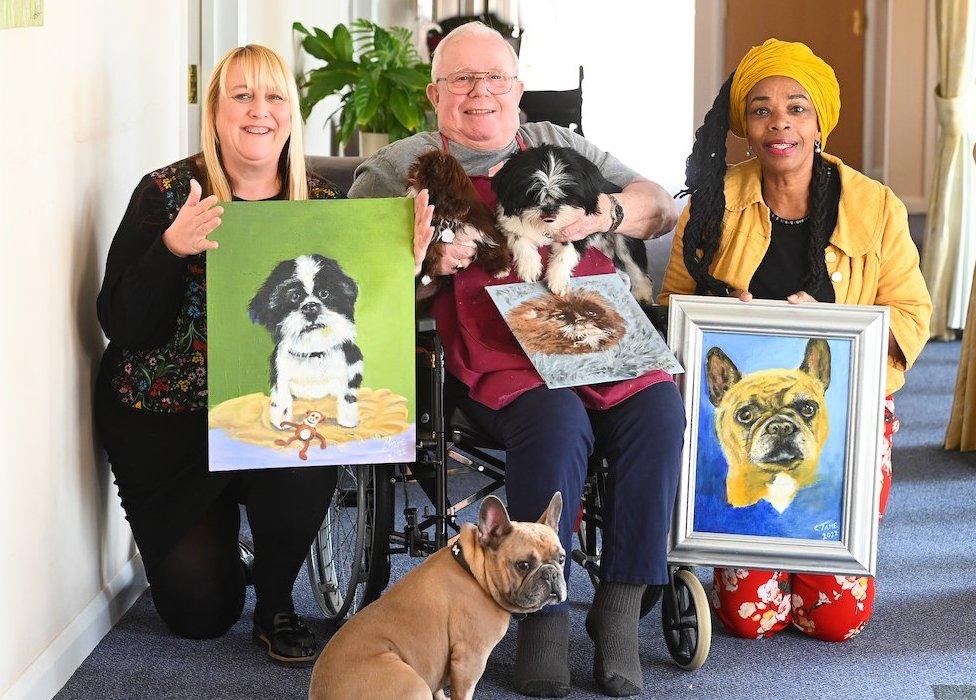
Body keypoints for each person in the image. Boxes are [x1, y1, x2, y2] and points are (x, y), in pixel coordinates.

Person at [350, 21, 680, 698]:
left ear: (519, 89)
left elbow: (660, 208)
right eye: (462, 80)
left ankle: (617, 612)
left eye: (494, 78)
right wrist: (421, 263)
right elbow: (348, 270)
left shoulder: (555, 144)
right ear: (435, 95)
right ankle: (544, 620)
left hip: (588, 324)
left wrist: (605, 212)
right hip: (493, 356)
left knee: (659, 407)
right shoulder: (395, 165)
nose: (480, 93)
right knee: (555, 421)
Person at [659, 38, 931, 642]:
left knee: (834, 620)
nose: (779, 121)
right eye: (760, 109)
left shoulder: (875, 207)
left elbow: (912, 313)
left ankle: (816, 551)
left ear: (818, 125)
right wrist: (717, 312)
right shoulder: (711, 204)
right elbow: (670, 307)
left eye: (796, 107)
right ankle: (751, 550)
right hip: (743, 416)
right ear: (745, 127)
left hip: (844, 408)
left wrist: (838, 327)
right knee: (749, 620)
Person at [95, 44, 342, 666]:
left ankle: (277, 599)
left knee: (312, 438)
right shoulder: (165, 193)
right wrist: (171, 250)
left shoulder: (326, 204)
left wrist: (410, 264)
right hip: (170, 422)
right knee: (201, 618)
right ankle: (229, 536)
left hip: (280, 416)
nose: (260, 112)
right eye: (242, 96)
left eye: (274, 96)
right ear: (215, 112)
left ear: (292, 112)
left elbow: (362, 314)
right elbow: (121, 322)